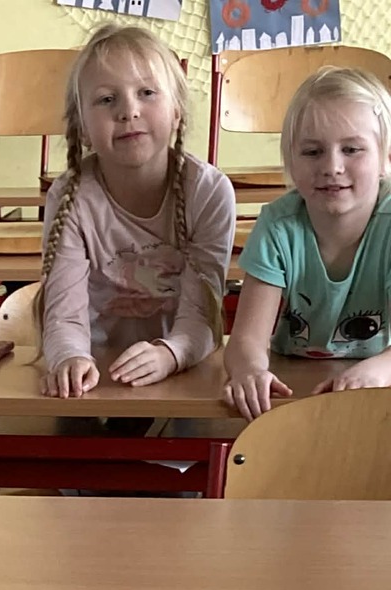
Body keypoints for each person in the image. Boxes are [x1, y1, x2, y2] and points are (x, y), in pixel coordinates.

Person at [36, 22, 235, 403]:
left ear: (177, 112)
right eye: (106, 99)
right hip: (95, 378)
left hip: (183, 370)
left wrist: (171, 354)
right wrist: (70, 358)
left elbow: (202, 314)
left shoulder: (208, 192)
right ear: (82, 128)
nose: (128, 111)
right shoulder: (70, 196)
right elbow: (64, 314)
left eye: (146, 93)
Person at [225, 66, 391, 422]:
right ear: (290, 161)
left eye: (352, 149)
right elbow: (246, 340)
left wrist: (381, 369)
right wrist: (249, 371)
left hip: (377, 380)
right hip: (294, 378)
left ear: (385, 158)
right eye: (313, 152)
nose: (332, 167)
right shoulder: (277, 225)